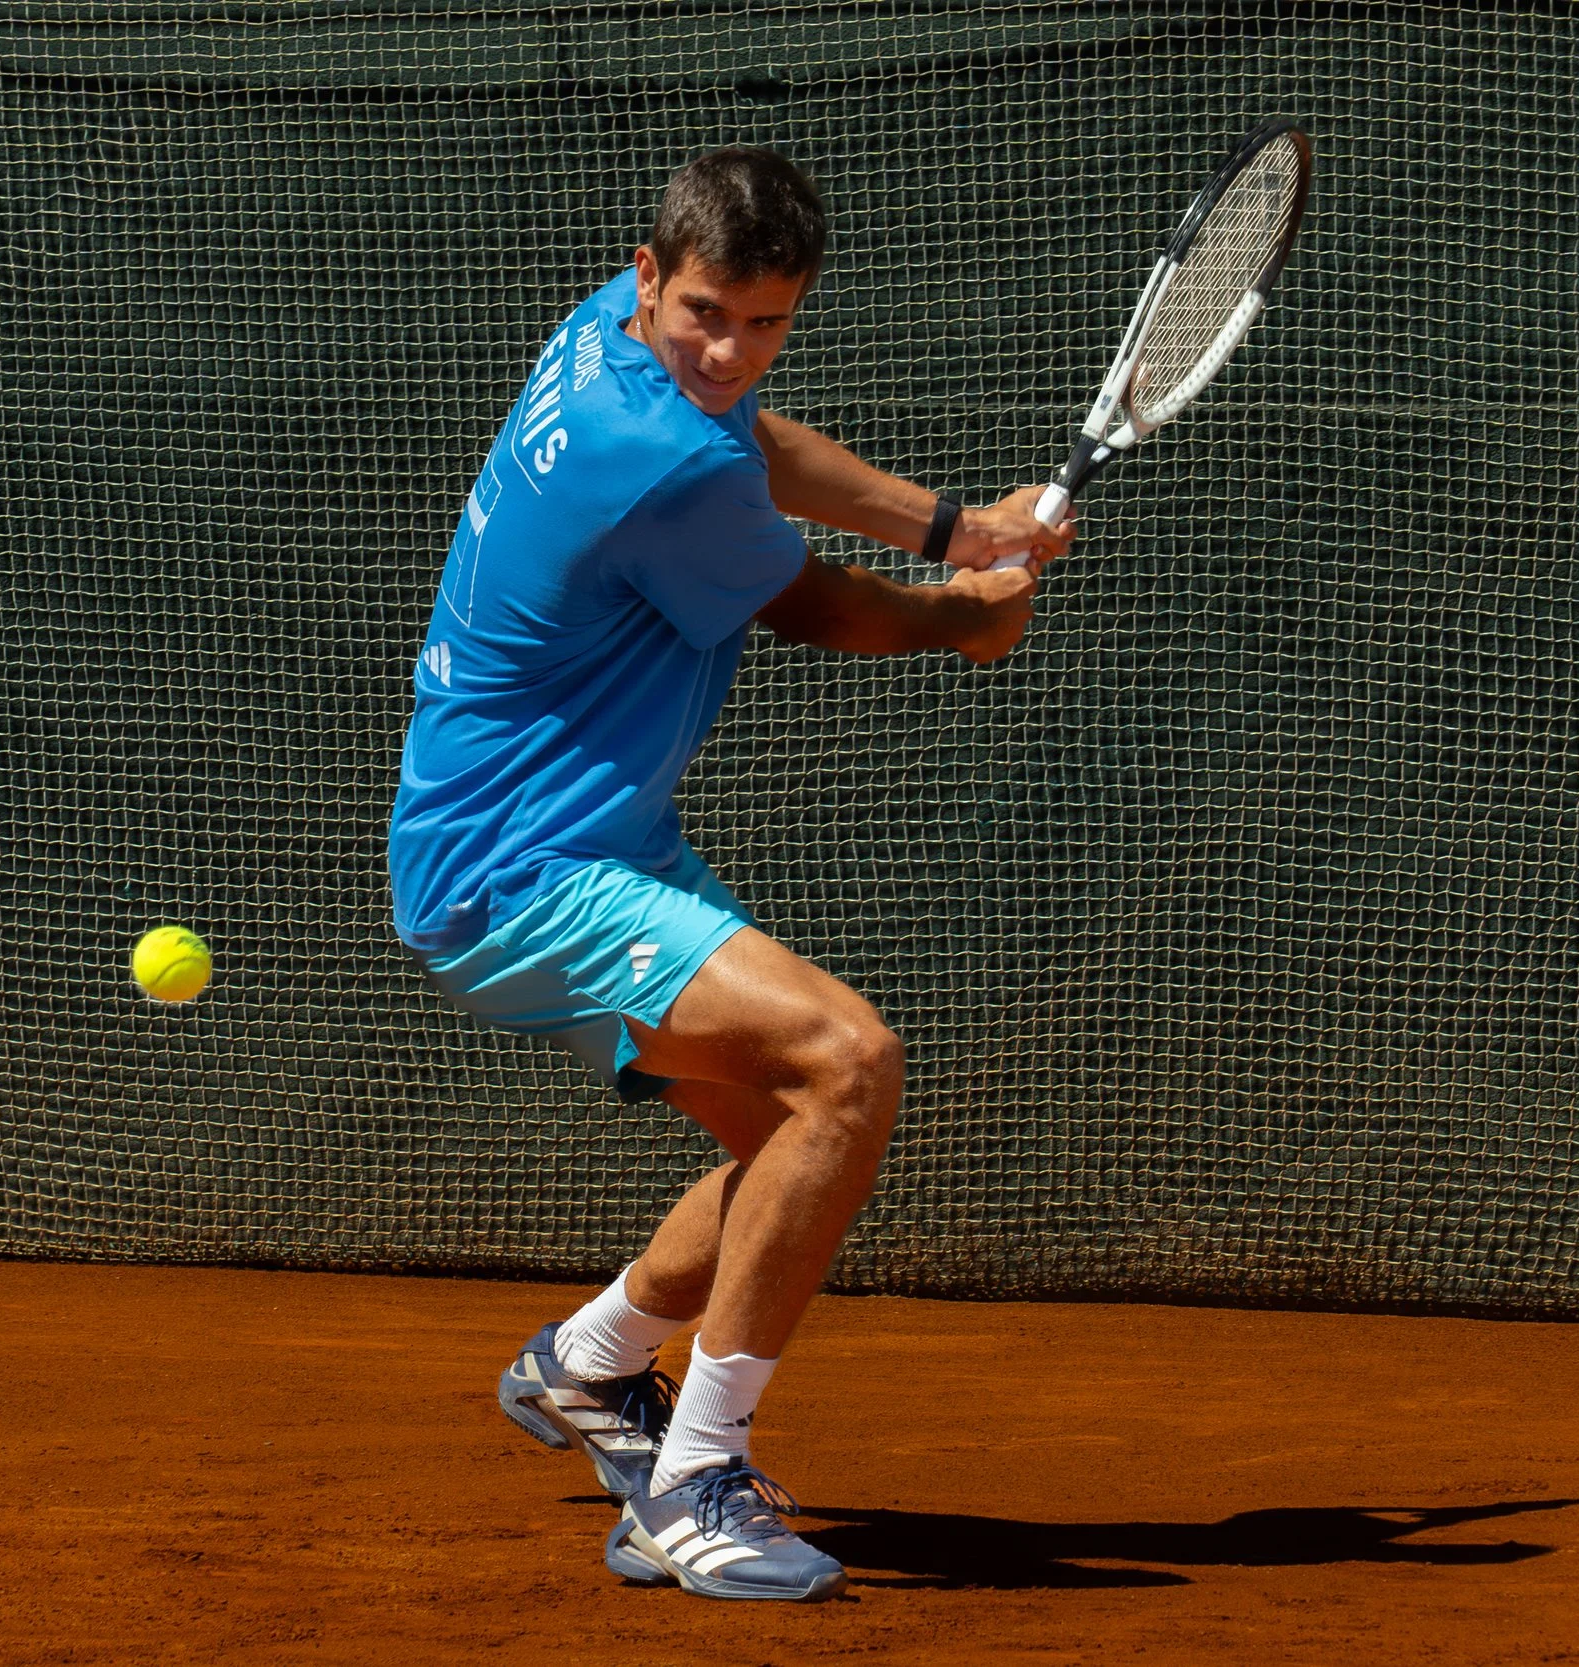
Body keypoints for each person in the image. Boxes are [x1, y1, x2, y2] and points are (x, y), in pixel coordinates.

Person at [388, 146, 1070, 1603]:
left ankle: (590, 1364)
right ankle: (691, 1486)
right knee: (851, 1062)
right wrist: (970, 616)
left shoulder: (610, 347)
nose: (728, 349)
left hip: (561, 834)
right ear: (651, 274)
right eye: (705, 313)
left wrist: (965, 528)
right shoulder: (660, 456)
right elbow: (819, 606)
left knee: (788, 1145)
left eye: (765, 324)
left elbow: (757, 446)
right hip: (521, 864)